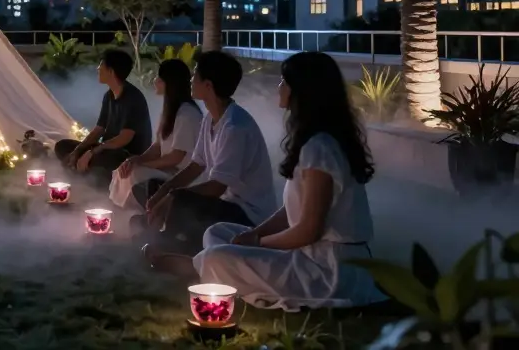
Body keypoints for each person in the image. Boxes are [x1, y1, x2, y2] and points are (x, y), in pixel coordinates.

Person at [194, 52, 385, 310]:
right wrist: (255, 233)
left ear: (302, 91)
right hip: (311, 255)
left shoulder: (320, 148)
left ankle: (199, 268)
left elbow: (308, 230)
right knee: (217, 233)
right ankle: (213, 269)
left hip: (328, 271)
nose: (279, 86)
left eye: (284, 81)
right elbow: (291, 211)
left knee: (216, 257)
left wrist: (258, 243)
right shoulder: (316, 142)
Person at [141, 50, 277, 267]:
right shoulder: (211, 120)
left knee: (181, 199)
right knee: (159, 187)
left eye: (195, 75)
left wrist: (174, 196)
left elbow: (217, 187)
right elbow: (196, 166)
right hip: (226, 204)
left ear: (208, 85)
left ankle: (172, 248)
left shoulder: (235, 127)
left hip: (248, 215)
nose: (191, 80)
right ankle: (165, 239)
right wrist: (164, 191)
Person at [108, 58, 203, 212]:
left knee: (134, 173)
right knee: (125, 168)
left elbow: (175, 157)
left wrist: (143, 165)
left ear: (170, 83)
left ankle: (128, 212)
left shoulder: (187, 114)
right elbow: (158, 146)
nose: (155, 80)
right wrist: (136, 159)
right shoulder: (170, 111)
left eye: (159, 78)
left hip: (180, 175)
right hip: (167, 169)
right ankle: (120, 211)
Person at [54, 49, 152, 186]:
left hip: (125, 155)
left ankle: (88, 179)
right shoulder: (109, 96)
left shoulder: (133, 98)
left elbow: (124, 138)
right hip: (106, 149)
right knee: (62, 147)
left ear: (111, 71)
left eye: (101, 65)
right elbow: (99, 129)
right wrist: (78, 150)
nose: (98, 68)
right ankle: (81, 175)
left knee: (105, 158)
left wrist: (92, 152)